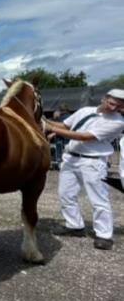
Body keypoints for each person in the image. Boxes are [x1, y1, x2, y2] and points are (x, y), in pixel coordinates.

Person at [44, 89, 124, 250]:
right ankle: (74, 226)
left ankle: (104, 234)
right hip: (71, 158)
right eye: (112, 103)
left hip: (93, 162)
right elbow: (65, 125)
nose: (114, 108)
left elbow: (84, 136)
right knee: (65, 194)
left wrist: (50, 129)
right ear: (104, 99)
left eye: (119, 107)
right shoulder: (85, 111)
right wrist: (41, 118)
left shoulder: (117, 122)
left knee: (98, 199)